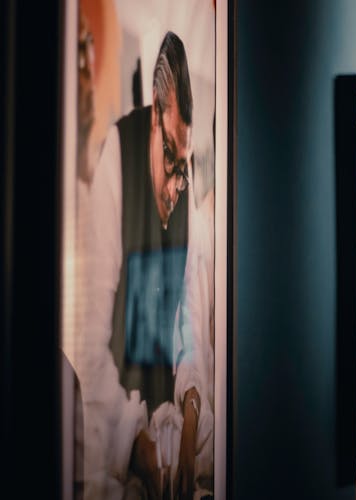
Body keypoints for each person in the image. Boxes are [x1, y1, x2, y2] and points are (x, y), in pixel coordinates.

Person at [79, 31, 206, 499]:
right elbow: (89, 344)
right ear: (156, 118)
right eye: (172, 159)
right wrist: (134, 439)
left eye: (185, 168)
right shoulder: (119, 155)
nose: (177, 185)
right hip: (111, 455)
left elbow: (191, 332)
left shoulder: (186, 194)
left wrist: (191, 417)